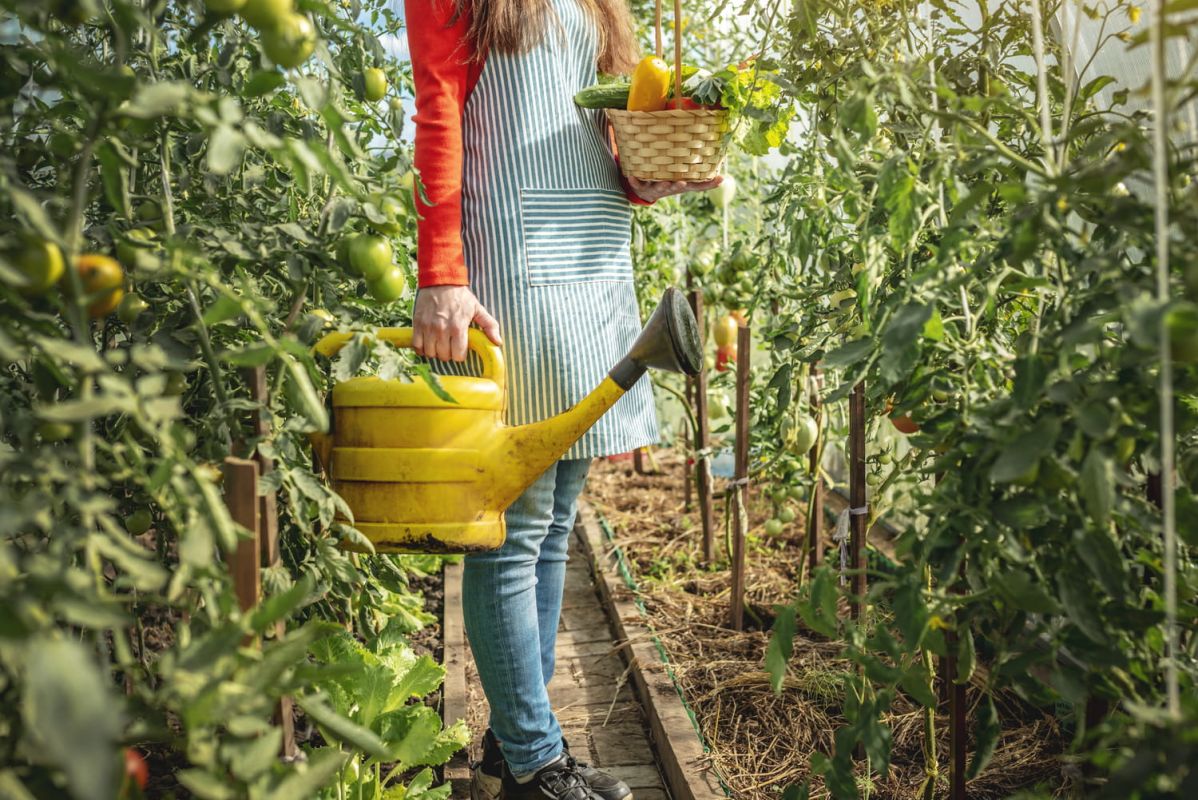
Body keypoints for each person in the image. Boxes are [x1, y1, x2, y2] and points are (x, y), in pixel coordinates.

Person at [405, 1, 720, 797]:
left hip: (593, 246)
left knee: (554, 521)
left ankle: (519, 749)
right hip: (512, 246)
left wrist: (649, 179)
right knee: (514, 525)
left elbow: (610, 134)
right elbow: (438, 107)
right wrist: (440, 273)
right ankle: (538, 758)